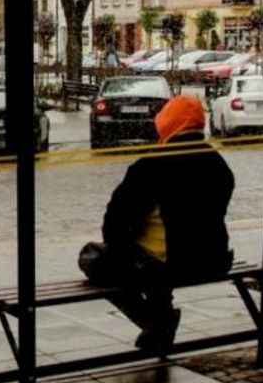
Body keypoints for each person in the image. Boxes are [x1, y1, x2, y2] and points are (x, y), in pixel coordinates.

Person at [78, 94, 235, 354]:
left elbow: (115, 221)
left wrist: (120, 248)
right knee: (154, 255)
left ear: (167, 123)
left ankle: (157, 322)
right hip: (212, 260)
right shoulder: (218, 163)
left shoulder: (152, 165)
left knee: (92, 258)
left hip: (171, 264)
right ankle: (160, 319)